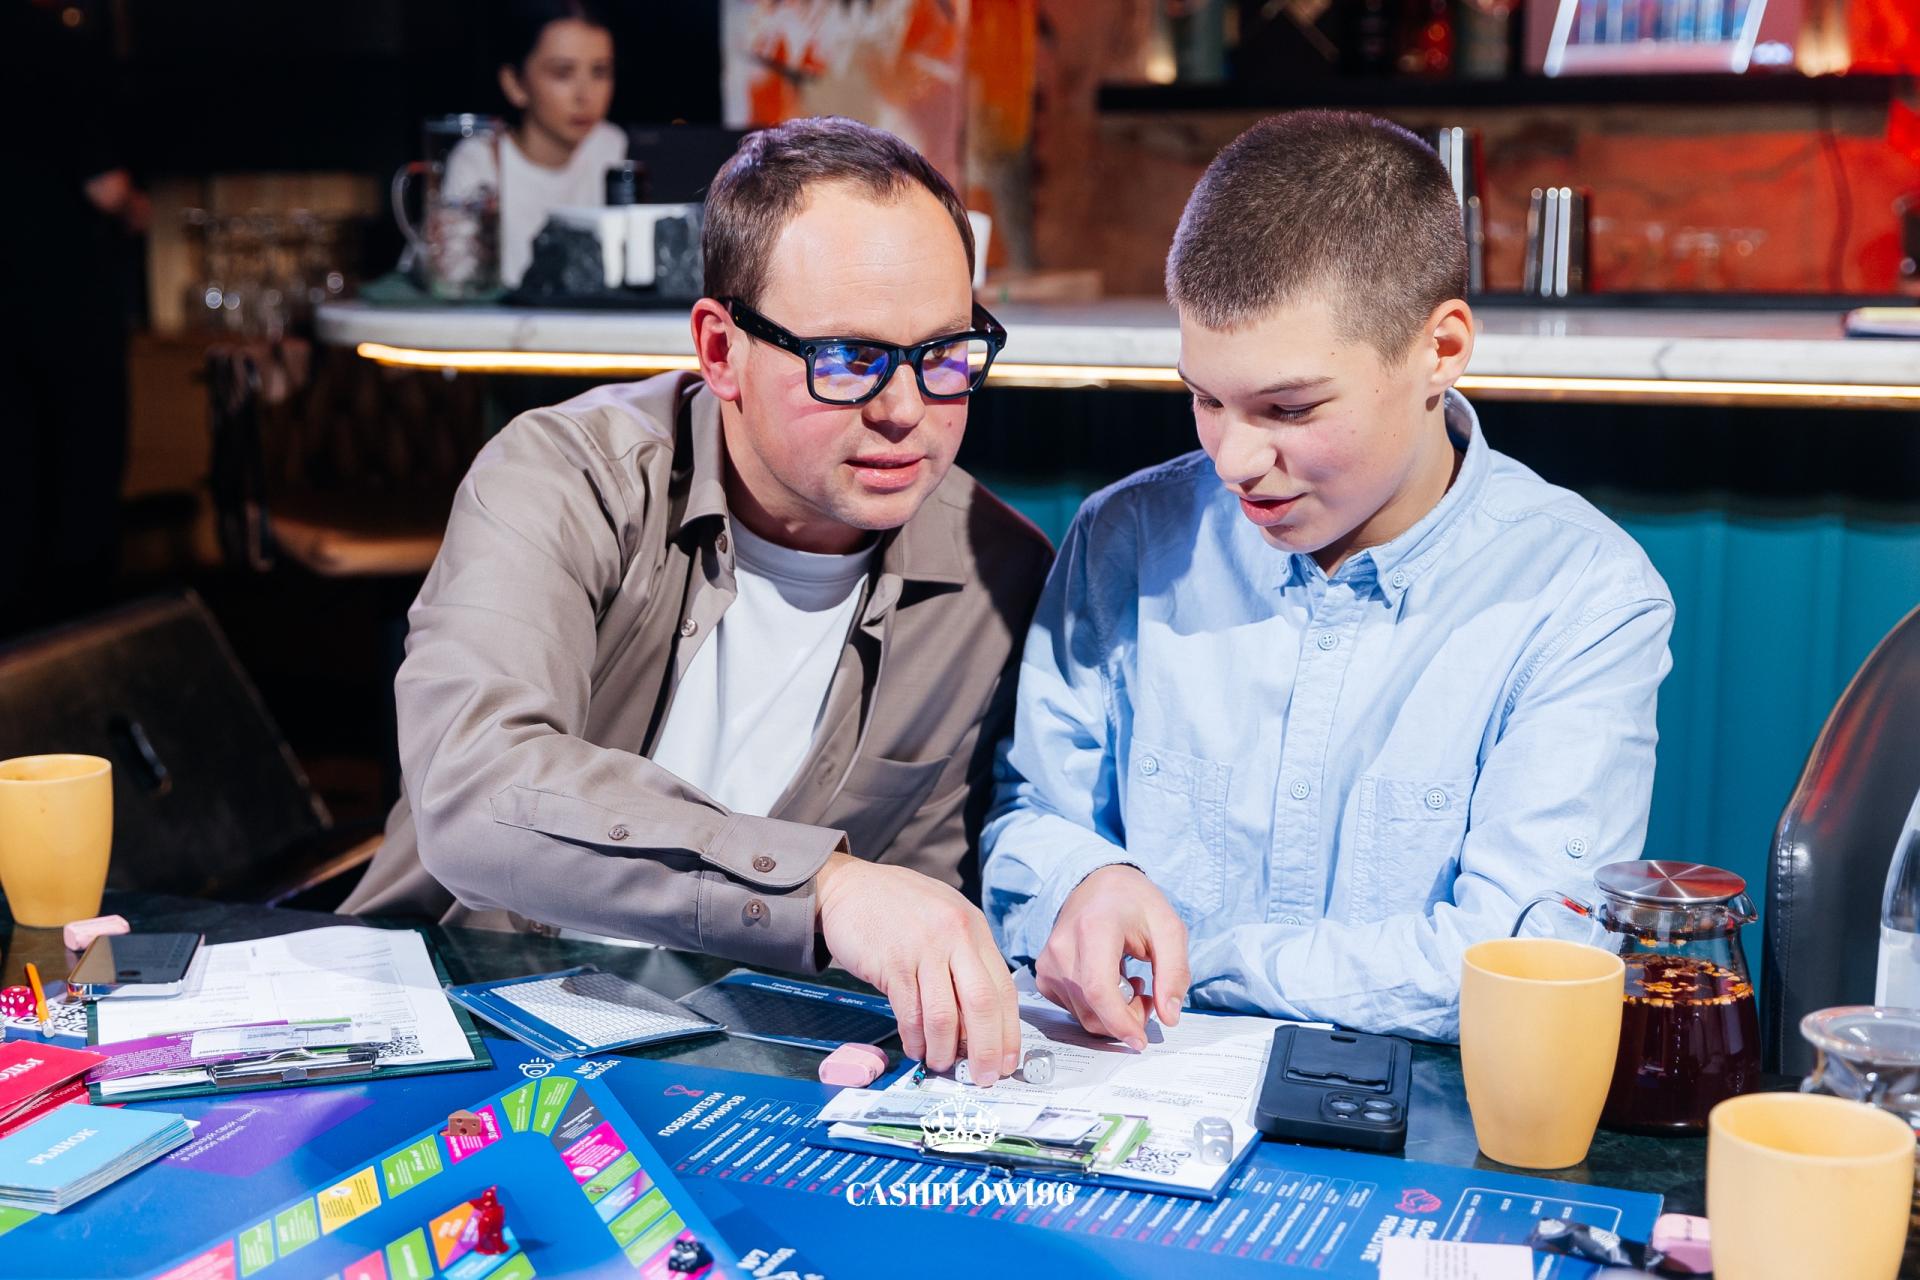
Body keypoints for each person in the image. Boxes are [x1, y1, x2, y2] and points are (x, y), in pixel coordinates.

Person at [345, 117, 1053, 1085]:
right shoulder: (564, 479)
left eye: (945, 354)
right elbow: (474, 792)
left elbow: (917, 896)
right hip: (458, 1029)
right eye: (848, 358)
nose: (905, 409)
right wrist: (820, 887)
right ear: (721, 350)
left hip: (735, 1064)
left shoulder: (993, 573)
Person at [981, 111, 1674, 1044]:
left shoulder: (1583, 595)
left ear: (1440, 350)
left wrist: (1194, 956)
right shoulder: (1127, 536)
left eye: (1289, 409)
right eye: (1204, 398)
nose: (1233, 460)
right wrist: (1085, 882)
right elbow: (1030, 824)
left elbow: (1522, 961)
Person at [443, 0, 627, 288]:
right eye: (563, 73)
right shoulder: (479, 162)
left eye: (600, 72)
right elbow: (451, 282)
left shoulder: (610, 147)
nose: (585, 95)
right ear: (515, 84)